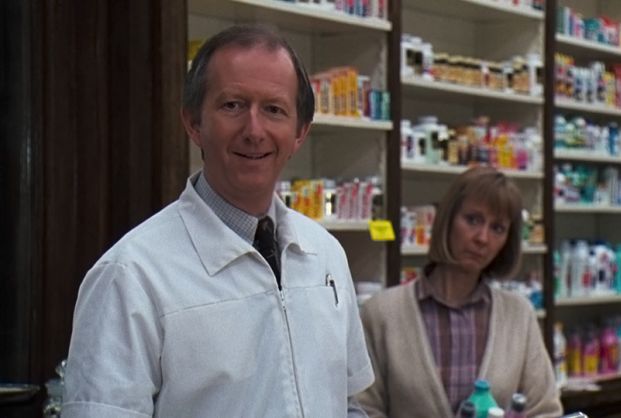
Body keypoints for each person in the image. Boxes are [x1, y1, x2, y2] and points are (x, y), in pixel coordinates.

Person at [62, 24, 373, 417]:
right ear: (194, 123)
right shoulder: (130, 275)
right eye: (233, 106)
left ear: (300, 133)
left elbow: (345, 404)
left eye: (274, 109)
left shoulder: (326, 254)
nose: (254, 130)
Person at [357, 166, 563, 418]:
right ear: (447, 220)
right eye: (473, 220)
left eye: (498, 228)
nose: (482, 238)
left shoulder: (518, 315)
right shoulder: (382, 314)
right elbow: (362, 410)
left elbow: (545, 410)